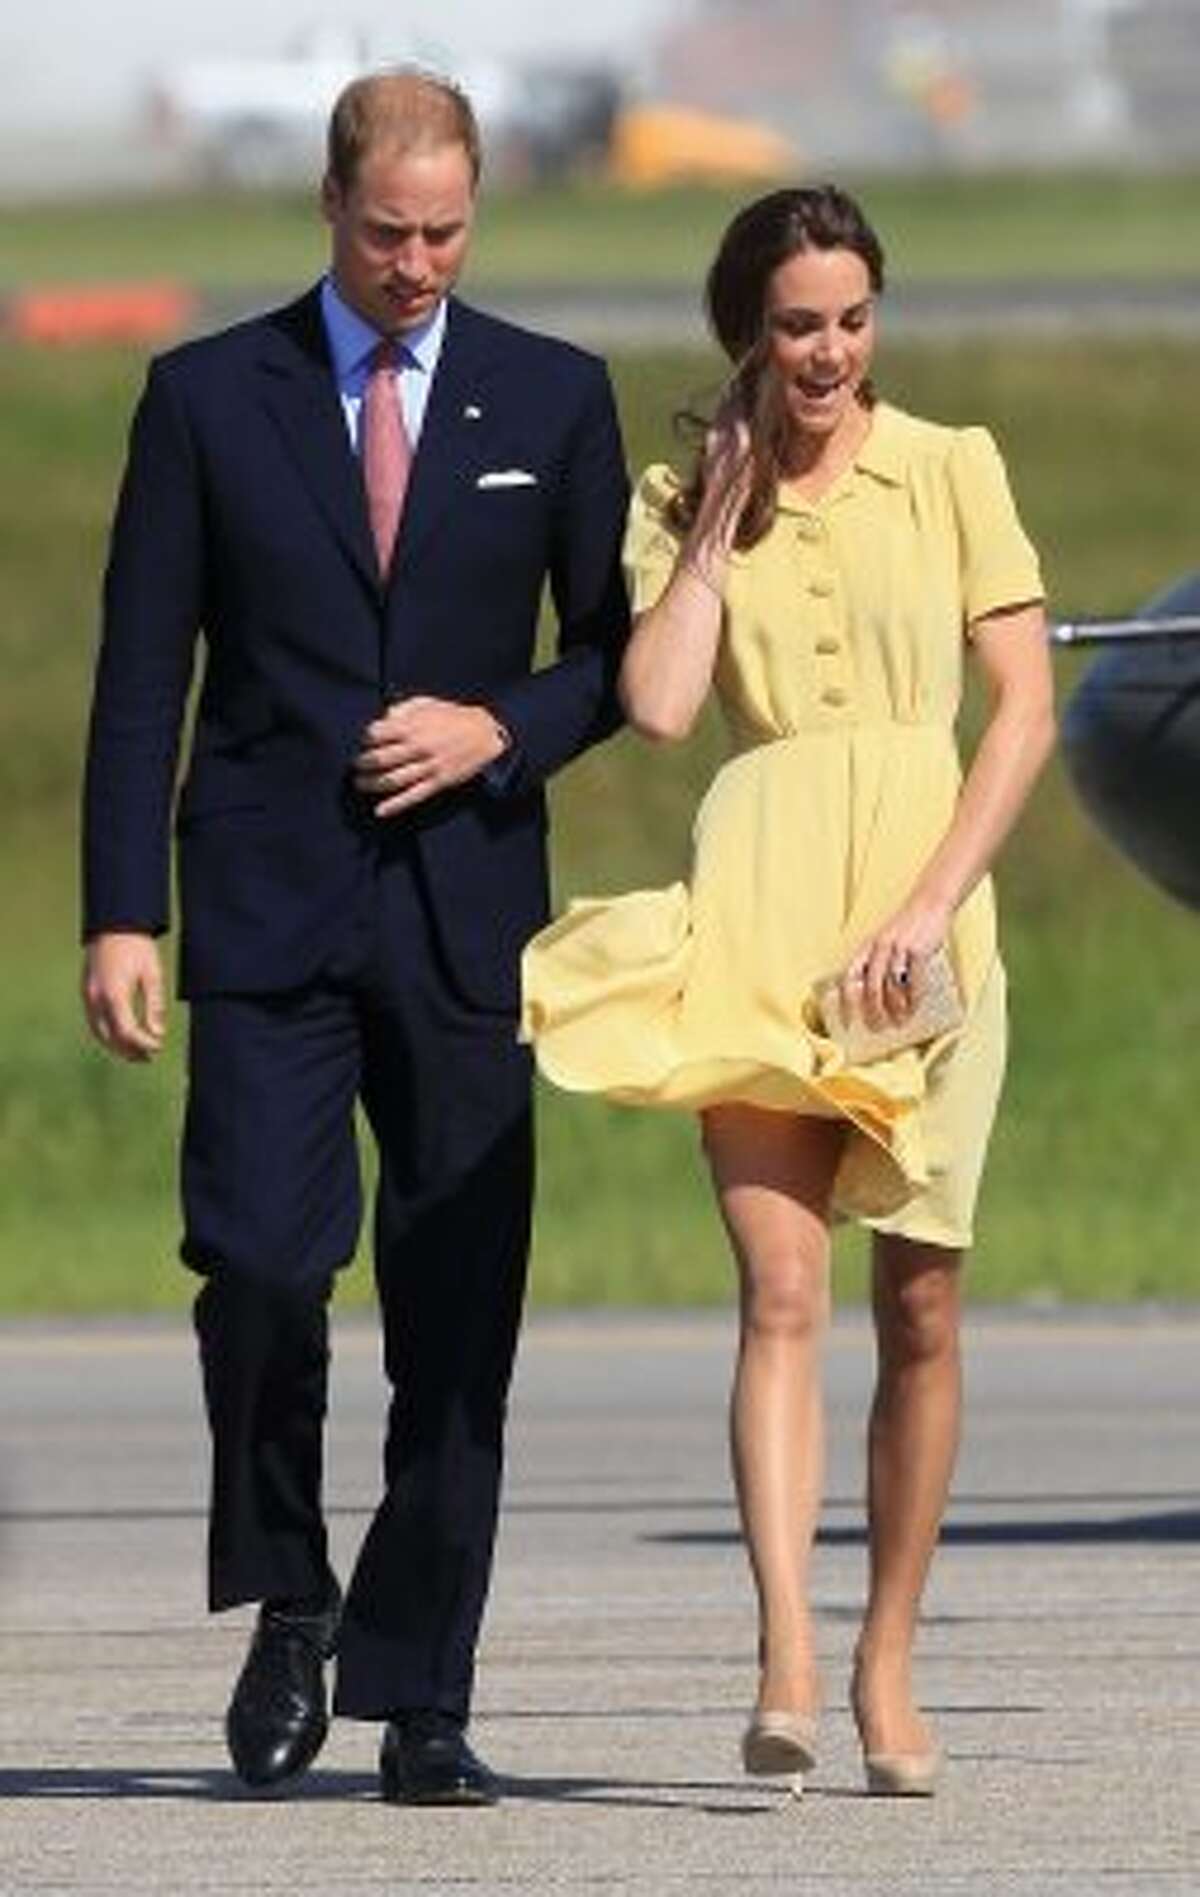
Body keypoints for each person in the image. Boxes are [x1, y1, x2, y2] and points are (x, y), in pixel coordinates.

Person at [80, 68, 629, 1806]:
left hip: (466, 915)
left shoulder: (555, 392)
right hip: (266, 904)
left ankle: (427, 1694)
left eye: (448, 230)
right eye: (389, 231)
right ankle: (294, 1592)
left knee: (459, 1314)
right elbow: (139, 670)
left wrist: (501, 732)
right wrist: (120, 910)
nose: (417, 262)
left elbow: (619, 655)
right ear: (330, 206)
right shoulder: (203, 397)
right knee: (254, 1266)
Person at [522, 185, 1055, 1796]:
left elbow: (1020, 711)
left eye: (850, 318)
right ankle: (788, 1654)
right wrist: (711, 522)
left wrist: (929, 905)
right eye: (796, 324)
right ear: (745, 330)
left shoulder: (952, 465)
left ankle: (891, 1656)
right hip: (761, 904)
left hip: (921, 913)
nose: (828, 352)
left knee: (921, 1303)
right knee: (777, 1289)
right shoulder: (691, 488)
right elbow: (668, 706)